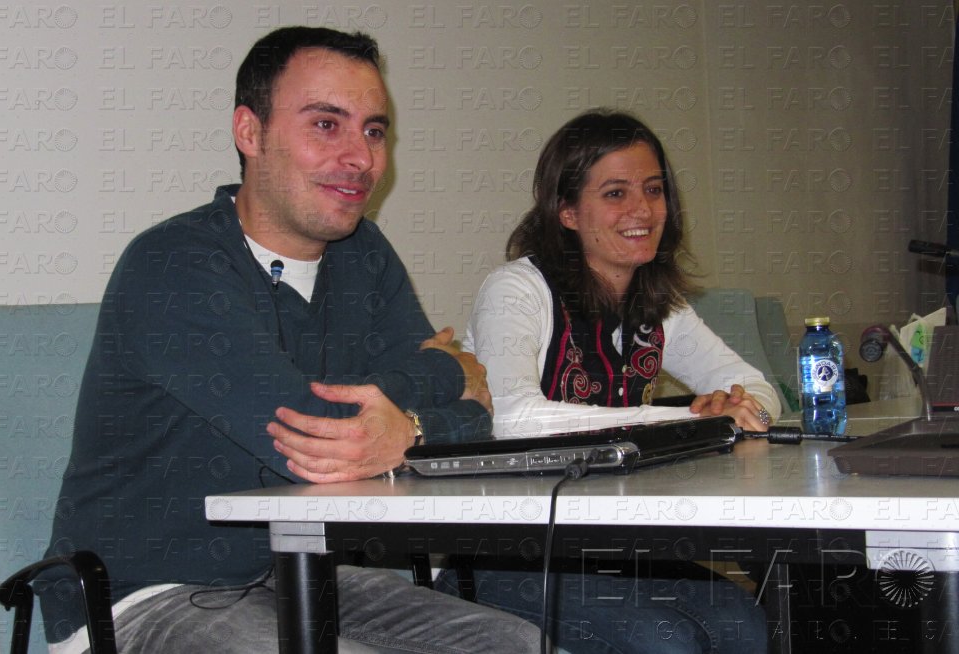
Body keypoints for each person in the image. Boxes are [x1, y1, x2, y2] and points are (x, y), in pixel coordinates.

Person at [42, 26, 540, 654]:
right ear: (250, 133)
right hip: (139, 597)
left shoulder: (363, 254)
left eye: (374, 131)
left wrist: (410, 426)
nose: (361, 158)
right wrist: (448, 374)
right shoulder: (174, 264)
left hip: (295, 569)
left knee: (518, 642)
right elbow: (316, 440)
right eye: (326, 125)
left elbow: (471, 423)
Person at [453, 110, 776, 653]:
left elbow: (753, 384)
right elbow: (511, 418)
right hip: (509, 555)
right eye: (615, 193)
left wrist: (742, 408)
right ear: (567, 211)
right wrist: (691, 419)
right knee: (666, 642)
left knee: (747, 623)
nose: (642, 210)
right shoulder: (516, 290)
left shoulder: (660, 302)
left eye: (653, 189)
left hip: (619, 547)